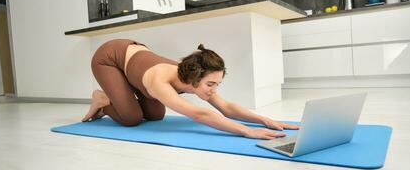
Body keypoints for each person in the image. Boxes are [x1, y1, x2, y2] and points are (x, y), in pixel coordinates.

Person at [82, 39, 299, 140]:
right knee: (131, 117)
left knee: (156, 115)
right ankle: (102, 100)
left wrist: (264, 120)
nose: (214, 90)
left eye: (217, 84)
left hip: (136, 61)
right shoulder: (161, 81)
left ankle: (123, 93)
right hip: (110, 57)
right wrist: (246, 130)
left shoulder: (192, 77)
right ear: (194, 78)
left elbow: (225, 107)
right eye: (210, 84)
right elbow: (199, 114)